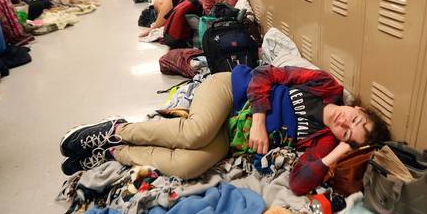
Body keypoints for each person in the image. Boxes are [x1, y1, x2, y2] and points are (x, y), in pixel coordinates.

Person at [58, 65, 391, 195]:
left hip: (233, 135)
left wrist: (341, 150)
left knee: (190, 166)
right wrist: (260, 118)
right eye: (354, 120)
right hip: (233, 91)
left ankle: (114, 150)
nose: (344, 124)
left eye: (349, 135)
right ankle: (120, 127)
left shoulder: (324, 141)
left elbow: (299, 183)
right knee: (195, 133)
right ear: (357, 108)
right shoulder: (324, 86)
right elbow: (266, 74)